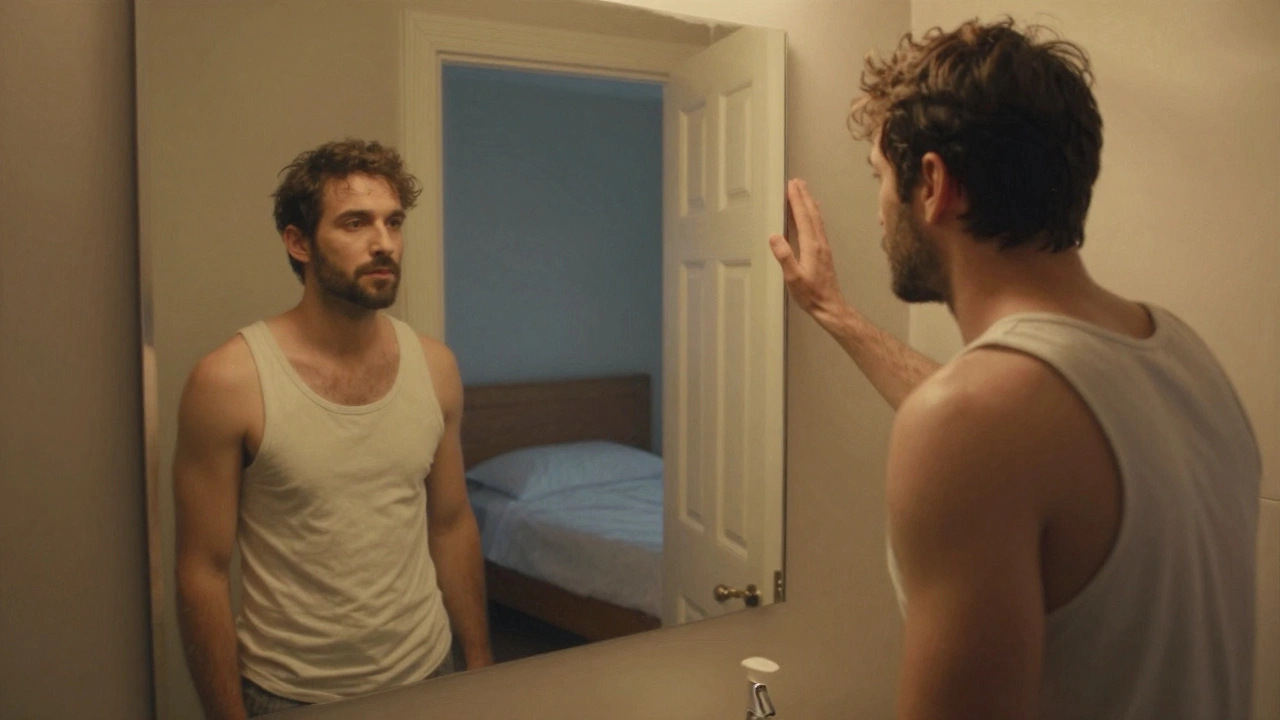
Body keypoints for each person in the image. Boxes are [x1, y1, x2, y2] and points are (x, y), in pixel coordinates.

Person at [769, 19, 1261, 720]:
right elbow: (1008, 431)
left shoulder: (978, 421)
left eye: (880, 178)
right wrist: (836, 313)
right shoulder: (1176, 353)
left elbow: (976, 424)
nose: (880, 212)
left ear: (933, 183)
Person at [173, 139, 492, 719]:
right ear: (298, 241)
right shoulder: (230, 381)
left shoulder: (436, 367)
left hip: (430, 672)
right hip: (290, 694)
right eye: (355, 223)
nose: (384, 243)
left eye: (393, 222)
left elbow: (450, 524)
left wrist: (480, 664)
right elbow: (202, 571)